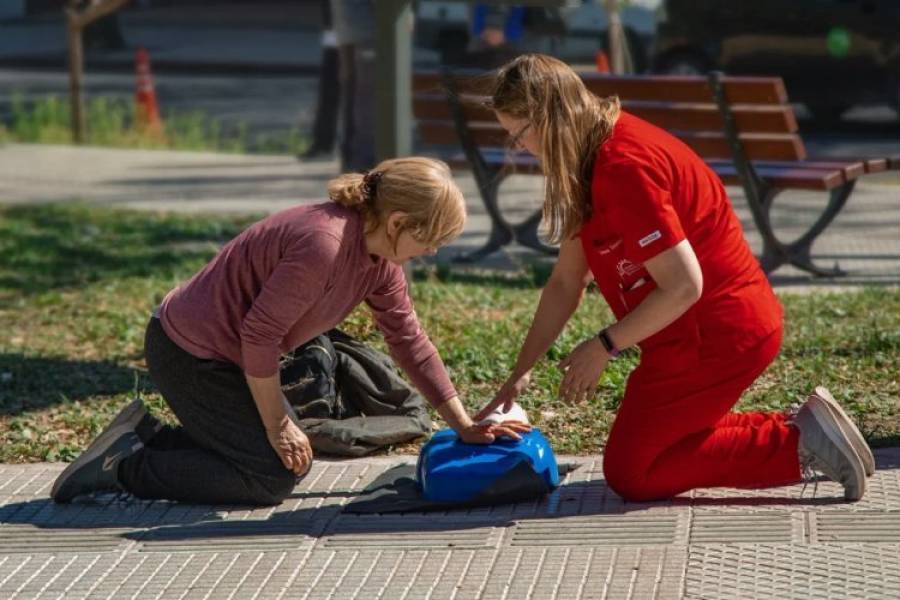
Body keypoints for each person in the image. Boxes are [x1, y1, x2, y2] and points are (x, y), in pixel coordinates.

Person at [476, 54, 875, 502]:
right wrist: (520, 372)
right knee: (649, 455)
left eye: (521, 134)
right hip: (690, 334)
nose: (521, 147)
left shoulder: (623, 167)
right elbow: (567, 281)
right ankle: (806, 430)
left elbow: (685, 285)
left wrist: (604, 345)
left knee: (634, 472)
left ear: (552, 117)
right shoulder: (590, 155)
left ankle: (796, 443)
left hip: (716, 335)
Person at [52, 157, 528, 506]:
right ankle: (124, 467)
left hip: (234, 358)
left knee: (279, 459)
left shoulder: (380, 260)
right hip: (190, 353)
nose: (432, 253)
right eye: (431, 240)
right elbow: (257, 337)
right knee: (267, 478)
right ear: (399, 221)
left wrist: (463, 423)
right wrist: (278, 424)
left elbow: (409, 341)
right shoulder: (324, 244)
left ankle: (145, 436)